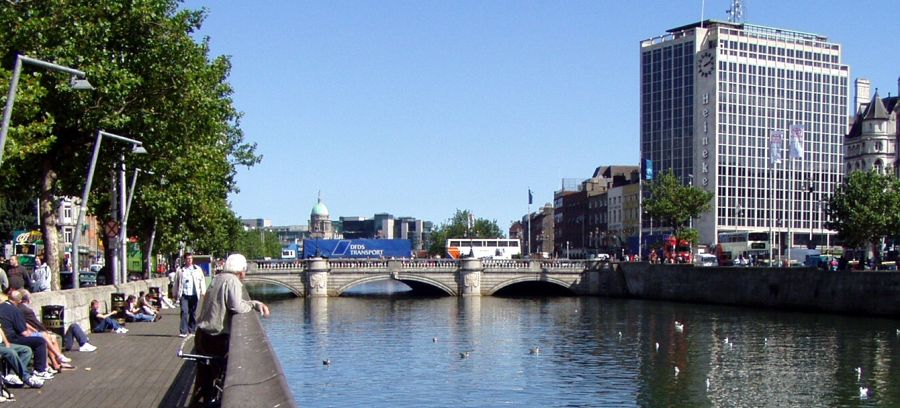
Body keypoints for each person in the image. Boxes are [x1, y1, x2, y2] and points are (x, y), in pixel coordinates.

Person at [194, 253, 269, 406]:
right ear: (241, 270)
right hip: (215, 337)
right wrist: (252, 306)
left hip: (202, 334)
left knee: (203, 379)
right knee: (226, 369)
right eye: (244, 271)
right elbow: (237, 306)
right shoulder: (233, 280)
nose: (245, 274)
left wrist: (254, 302)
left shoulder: (218, 278)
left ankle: (204, 401)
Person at [13, 290, 72, 371]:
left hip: (34, 330)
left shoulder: (21, 308)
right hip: (27, 333)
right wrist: (41, 331)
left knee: (53, 338)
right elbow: (30, 323)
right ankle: (57, 359)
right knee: (46, 337)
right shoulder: (24, 309)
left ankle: (57, 362)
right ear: (27, 299)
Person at [0, 293, 53, 380]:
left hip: (4, 338)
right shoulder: (15, 310)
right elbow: (23, 332)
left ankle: (18, 372)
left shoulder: (1, 307)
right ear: (19, 301)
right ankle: (39, 370)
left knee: (33, 344)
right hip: (11, 338)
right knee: (40, 341)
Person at [0, 324, 43, 388]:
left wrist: (6, 343)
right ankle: (26, 377)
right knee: (11, 352)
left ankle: (13, 375)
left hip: (1, 344)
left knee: (26, 350)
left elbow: (0, 330)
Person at [174, 253, 207, 337]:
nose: (189, 260)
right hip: (184, 294)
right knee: (184, 312)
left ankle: (192, 329)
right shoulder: (180, 270)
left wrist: (203, 291)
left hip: (194, 293)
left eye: (191, 259)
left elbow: (202, 280)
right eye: (188, 259)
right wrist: (175, 293)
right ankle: (183, 331)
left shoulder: (197, 269)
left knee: (193, 312)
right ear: (184, 260)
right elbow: (176, 282)